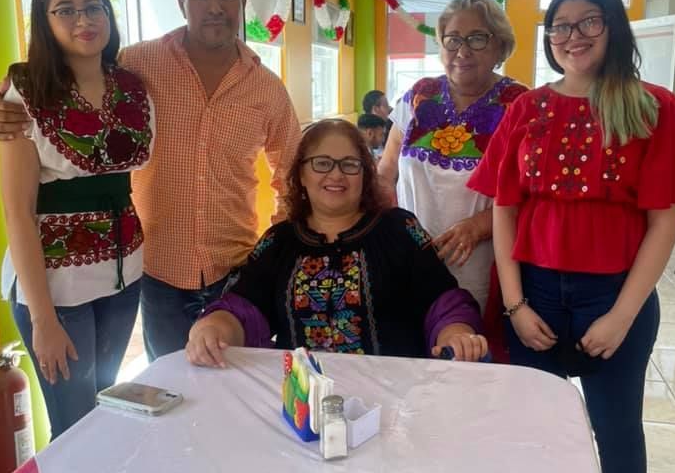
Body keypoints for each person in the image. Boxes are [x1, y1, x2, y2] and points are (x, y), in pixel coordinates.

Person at [0, 0, 301, 362]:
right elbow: (71, 70)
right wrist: (7, 94)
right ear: (180, 1)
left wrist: (272, 253)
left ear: (242, 3)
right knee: (170, 390)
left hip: (236, 271)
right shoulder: (137, 64)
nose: (215, 7)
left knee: (234, 393)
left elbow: (291, 173)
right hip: (158, 273)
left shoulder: (267, 88)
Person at [469, 0, 675, 473]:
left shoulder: (654, 108)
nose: (572, 36)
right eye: (560, 26)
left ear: (612, 27)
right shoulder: (528, 107)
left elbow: (665, 217)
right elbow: (504, 208)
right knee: (534, 432)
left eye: (588, 22)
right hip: (537, 293)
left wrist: (621, 316)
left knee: (617, 432)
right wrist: (516, 306)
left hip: (614, 294)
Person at [186, 119, 488, 367]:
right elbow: (243, 307)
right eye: (321, 163)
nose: (336, 174)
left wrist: (457, 335)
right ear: (301, 174)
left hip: (398, 398)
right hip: (306, 403)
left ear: (364, 174)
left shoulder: (399, 229)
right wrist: (213, 328)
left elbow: (443, 302)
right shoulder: (280, 241)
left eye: (349, 164)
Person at [0, 0, 154, 438]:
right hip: (55, 286)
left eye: (93, 7)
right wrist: (42, 319)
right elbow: (17, 212)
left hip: (125, 271)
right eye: (64, 10)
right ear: (44, 21)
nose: (83, 19)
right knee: (74, 424)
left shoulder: (131, 85)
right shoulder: (23, 92)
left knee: (106, 403)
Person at [377, 0, 526, 314]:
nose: (463, 50)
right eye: (452, 39)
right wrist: (392, 233)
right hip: (412, 260)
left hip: (484, 265)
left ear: (500, 46)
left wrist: (477, 227)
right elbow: (385, 172)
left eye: (477, 38)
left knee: (470, 350)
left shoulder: (520, 105)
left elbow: (531, 195)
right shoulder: (420, 94)